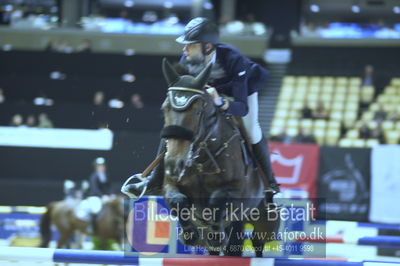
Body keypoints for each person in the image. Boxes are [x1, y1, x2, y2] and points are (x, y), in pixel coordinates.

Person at [123, 17, 280, 198]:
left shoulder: (234, 60)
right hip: (207, 94)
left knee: (252, 129)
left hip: (238, 94)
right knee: (176, 126)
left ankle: (269, 183)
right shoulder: (186, 60)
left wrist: (220, 102)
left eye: (190, 45)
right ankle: (154, 179)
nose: (185, 49)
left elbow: (242, 107)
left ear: (207, 47)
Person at [85, 157, 112, 233]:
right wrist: (102, 196)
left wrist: (111, 194)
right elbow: (95, 188)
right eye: (99, 166)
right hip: (95, 196)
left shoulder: (106, 176)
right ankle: (92, 227)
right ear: (96, 167)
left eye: (103, 166)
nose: (101, 167)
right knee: (96, 209)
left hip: (105, 197)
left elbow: (109, 187)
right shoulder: (93, 176)